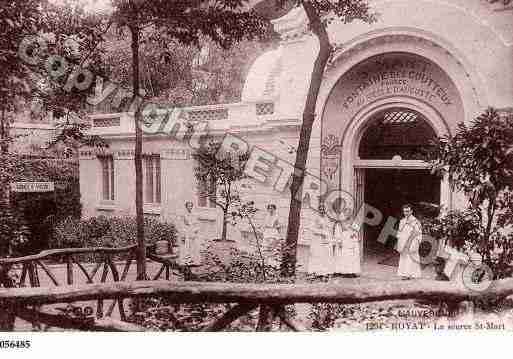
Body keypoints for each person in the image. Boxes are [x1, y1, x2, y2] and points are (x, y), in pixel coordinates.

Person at [396, 204, 422, 279]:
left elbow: (419, 233)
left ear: (411, 211)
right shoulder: (402, 221)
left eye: (407, 211)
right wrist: (399, 243)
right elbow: (399, 233)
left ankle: (412, 274)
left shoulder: (416, 221)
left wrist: (416, 243)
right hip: (403, 242)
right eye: (404, 211)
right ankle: (404, 274)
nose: (406, 213)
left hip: (412, 242)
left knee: (411, 258)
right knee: (404, 258)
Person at [333, 213, 361, 277]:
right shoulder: (338, 225)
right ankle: (339, 271)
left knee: (349, 257)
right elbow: (337, 234)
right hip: (343, 241)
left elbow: (357, 229)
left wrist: (353, 233)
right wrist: (339, 241)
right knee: (340, 256)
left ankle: (350, 272)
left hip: (349, 241)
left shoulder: (352, 223)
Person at [308, 204, 332, 276]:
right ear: (318, 210)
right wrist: (319, 232)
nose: (322, 211)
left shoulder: (326, 218)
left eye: (323, 209)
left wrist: (327, 234)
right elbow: (311, 228)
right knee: (316, 255)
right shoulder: (315, 218)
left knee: (323, 255)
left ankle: (322, 272)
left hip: (324, 239)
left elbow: (328, 228)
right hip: (317, 239)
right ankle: (314, 272)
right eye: (320, 209)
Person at [178, 201, 202, 266]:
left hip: (192, 232)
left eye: (191, 206)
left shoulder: (193, 214)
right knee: (186, 247)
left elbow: (196, 223)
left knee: (193, 247)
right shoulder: (183, 215)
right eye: (189, 206)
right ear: (186, 207)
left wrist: (196, 229)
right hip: (186, 232)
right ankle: (186, 261)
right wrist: (183, 233)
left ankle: (193, 260)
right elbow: (181, 224)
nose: (190, 207)